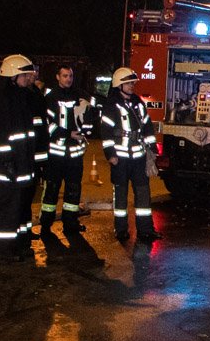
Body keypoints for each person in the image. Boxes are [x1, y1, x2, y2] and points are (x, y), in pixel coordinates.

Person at [0, 54, 45, 264]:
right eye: (24, 75)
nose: (28, 78)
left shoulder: (21, 97)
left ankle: (19, 243)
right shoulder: (5, 101)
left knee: (20, 207)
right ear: (12, 76)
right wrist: (7, 161)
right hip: (6, 167)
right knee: (7, 209)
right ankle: (2, 251)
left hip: (21, 165)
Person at [101, 67, 161, 242]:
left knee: (143, 194)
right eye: (128, 83)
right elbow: (105, 132)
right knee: (120, 195)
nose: (132, 86)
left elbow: (147, 126)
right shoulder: (111, 106)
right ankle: (121, 230)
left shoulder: (138, 103)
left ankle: (146, 230)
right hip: (120, 159)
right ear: (118, 85)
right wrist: (110, 154)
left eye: (132, 83)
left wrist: (152, 148)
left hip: (139, 158)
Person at [39, 64, 89, 237]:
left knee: (73, 191)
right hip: (56, 155)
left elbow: (88, 118)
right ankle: (46, 225)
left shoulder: (78, 96)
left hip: (75, 156)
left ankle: (70, 223)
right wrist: (68, 134)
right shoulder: (50, 98)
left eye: (70, 76)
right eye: (65, 76)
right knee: (51, 190)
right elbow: (47, 126)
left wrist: (85, 131)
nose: (68, 79)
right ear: (57, 77)